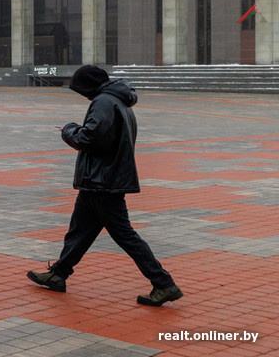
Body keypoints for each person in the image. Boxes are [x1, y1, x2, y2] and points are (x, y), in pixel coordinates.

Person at [27, 64, 183, 306]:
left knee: (125, 236)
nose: (82, 95)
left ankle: (163, 283)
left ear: (88, 85)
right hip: (100, 180)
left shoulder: (103, 102)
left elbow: (90, 138)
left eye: (80, 89)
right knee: (80, 231)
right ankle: (59, 273)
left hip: (103, 181)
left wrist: (69, 130)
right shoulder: (117, 100)